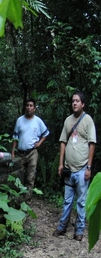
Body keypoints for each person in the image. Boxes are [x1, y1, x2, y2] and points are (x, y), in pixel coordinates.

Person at [54, 91, 96, 241]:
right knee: (67, 200)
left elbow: (92, 144)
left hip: (82, 168)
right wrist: (60, 163)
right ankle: (62, 227)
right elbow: (63, 142)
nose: (75, 103)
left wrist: (89, 168)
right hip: (68, 168)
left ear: (83, 104)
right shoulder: (68, 121)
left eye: (78, 101)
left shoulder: (88, 120)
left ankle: (79, 230)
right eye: (73, 101)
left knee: (81, 201)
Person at [11, 98, 49, 192]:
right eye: (27, 105)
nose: (29, 107)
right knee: (18, 175)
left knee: (30, 176)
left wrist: (39, 143)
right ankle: (18, 196)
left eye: (31, 106)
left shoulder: (38, 121)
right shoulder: (20, 120)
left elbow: (46, 133)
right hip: (20, 153)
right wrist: (13, 152)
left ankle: (28, 197)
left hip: (32, 152)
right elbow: (15, 137)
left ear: (34, 108)